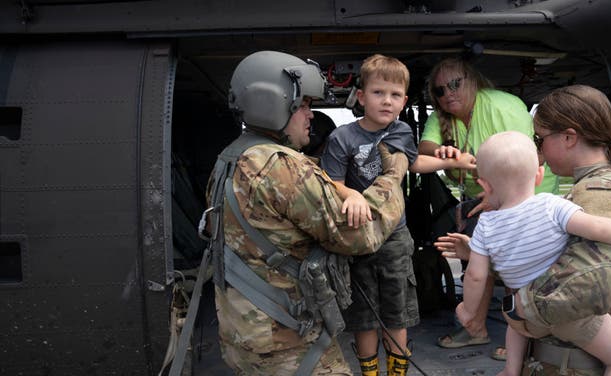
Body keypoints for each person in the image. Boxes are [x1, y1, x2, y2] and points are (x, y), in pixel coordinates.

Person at [203, 50, 411, 376]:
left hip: (244, 334)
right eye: (303, 106)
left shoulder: (230, 159)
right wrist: (392, 176)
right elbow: (361, 236)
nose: (310, 116)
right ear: (274, 103)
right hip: (286, 344)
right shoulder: (281, 166)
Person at [438, 84, 611, 375]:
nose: (538, 150)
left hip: (577, 365)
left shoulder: (598, 191)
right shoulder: (569, 198)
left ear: (568, 137)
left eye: (540, 139)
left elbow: (591, 284)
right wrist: (491, 259)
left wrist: (518, 308)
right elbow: (552, 265)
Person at [320, 54, 476, 376]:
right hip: (359, 238)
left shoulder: (403, 132)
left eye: (394, 95)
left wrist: (451, 162)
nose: (387, 101)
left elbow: (415, 163)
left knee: (397, 310)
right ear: (361, 97)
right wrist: (352, 196)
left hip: (395, 235)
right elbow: (331, 183)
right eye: (378, 93)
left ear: (404, 100)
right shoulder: (342, 138)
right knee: (364, 313)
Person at [418, 57, 559, 356]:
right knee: (477, 262)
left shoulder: (501, 106)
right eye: (440, 90)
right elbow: (424, 149)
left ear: (473, 81)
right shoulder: (443, 116)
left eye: (456, 84)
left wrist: (499, 199)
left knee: (516, 266)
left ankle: (526, 335)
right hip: (486, 198)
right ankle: (476, 330)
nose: (449, 94)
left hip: (525, 193)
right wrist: (445, 153)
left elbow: (524, 159)